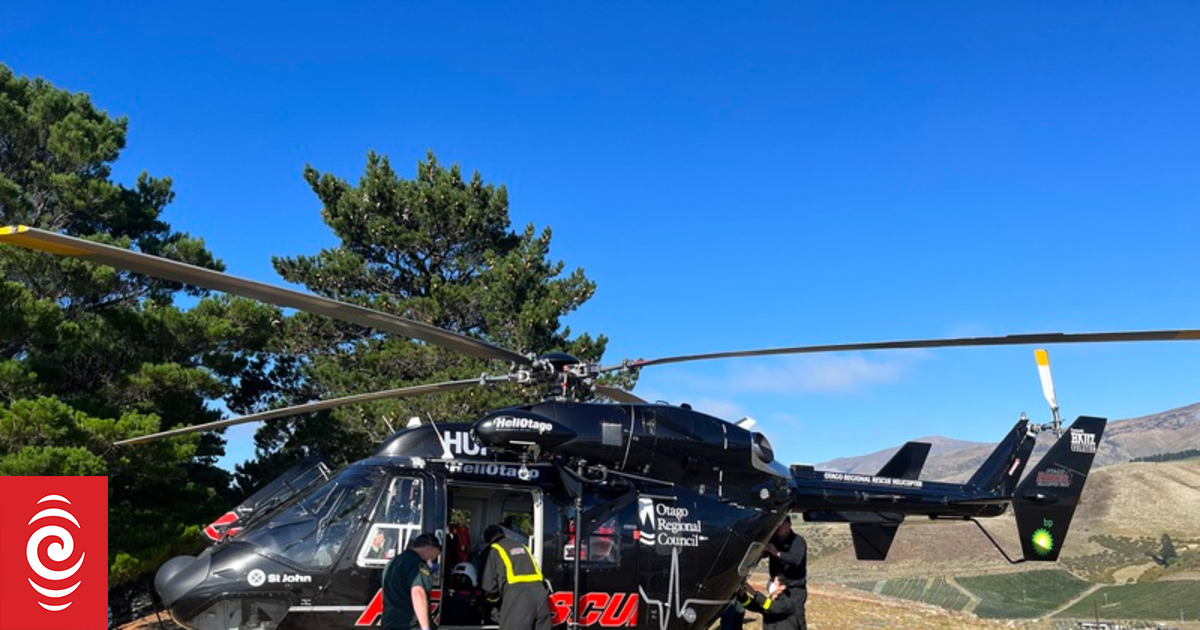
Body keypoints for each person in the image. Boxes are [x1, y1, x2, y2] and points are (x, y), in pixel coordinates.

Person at [480, 524, 552, 630]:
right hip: (541, 595)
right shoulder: (522, 546)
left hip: (518, 598)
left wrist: (492, 603)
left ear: (488, 541)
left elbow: (489, 586)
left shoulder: (494, 549)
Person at [382, 532, 442, 630]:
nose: (433, 559)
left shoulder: (393, 562)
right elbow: (418, 593)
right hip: (409, 625)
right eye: (435, 555)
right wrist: (425, 628)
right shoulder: (417, 564)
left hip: (389, 623)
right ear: (429, 549)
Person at [762, 519, 807, 628]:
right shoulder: (774, 540)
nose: (780, 527)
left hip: (794, 590)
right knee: (774, 616)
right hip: (777, 588)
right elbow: (763, 555)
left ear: (789, 524)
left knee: (796, 619)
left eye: (782, 524)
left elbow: (796, 560)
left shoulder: (798, 541)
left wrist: (777, 553)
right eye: (778, 524)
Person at [738, 576, 804, 630]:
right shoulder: (769, 601)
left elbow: (773, 607)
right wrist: (743, 597)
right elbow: (753, 606)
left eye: (773, 581)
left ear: (782, 587)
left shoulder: (787, 603)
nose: (770, 583)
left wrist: (753, 593)